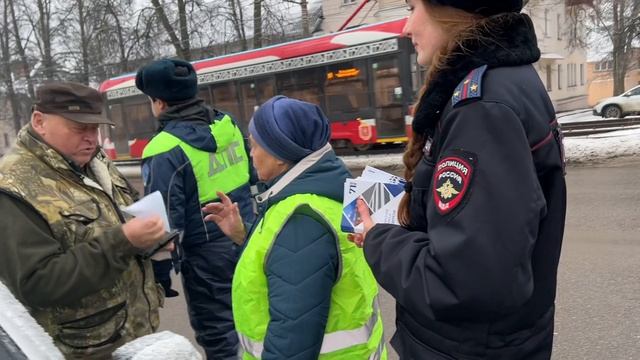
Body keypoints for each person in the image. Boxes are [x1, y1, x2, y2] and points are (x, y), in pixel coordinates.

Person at [350, 1, 567, 359]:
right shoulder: (509, 80)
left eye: (413, 7)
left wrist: (378, 239)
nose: (406, 27)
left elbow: (463, 283)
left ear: (452, 10)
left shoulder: (481, 109)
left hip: (466, 347)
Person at [203, 95, 387, 359]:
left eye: (254, 146)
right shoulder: (327, 193)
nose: (251, 155)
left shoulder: (301, 221)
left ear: (280, 154)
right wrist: (243, 234)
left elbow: (291, 344)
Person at [0, 82, 166, 358]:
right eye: (80, 128)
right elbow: (38, 283)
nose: (92, 138)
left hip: (135, 337)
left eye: (95, 128)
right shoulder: (13, 187)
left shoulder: (93, 160)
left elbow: (121, 211)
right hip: (86, 350)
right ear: (39, 121)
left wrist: (149, 238)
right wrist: (124, 241)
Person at [135, 58, 255, 359]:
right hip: (247, 236)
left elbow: (162, 219)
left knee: (219, 333)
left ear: (158, 102)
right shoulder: (227, 123)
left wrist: (161, 272)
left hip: (205, 259)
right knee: (254, 321)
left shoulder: (163, 148)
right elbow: (254, 178)